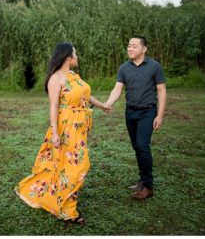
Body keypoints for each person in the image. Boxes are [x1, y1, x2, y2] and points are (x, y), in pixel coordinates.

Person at [16, 42, 111, 225]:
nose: (77, 56)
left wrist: (103, 106)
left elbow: (85, 95)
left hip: (80, 127)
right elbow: (53, 106)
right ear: (68, 56)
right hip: (66, 128)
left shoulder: (73, 75)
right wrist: (54, 133)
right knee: (79, 166)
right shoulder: (56, 78)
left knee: (67, 166)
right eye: (75, 53)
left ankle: (65, 204)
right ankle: (68, 210)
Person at [104, 36, 167, 200]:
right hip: (130, 112)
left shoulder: (154, 66)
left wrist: (159, 115)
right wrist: (108, 103)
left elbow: (161, 91)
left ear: (144, 49)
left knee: (142, 146)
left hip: (148, 112)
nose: (130, 49)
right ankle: (142, 179)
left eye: (134, 46)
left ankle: (148, 186)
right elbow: (117, 89)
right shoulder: (124, 68)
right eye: (128, 46)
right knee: (137, 147)